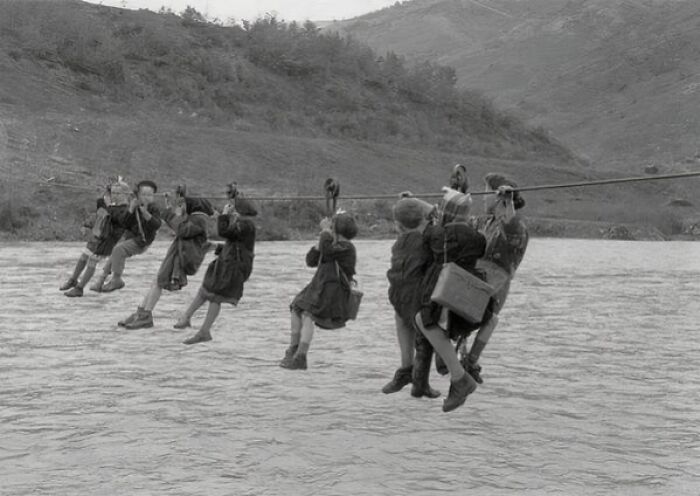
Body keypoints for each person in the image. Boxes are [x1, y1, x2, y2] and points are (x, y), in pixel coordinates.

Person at [414, 188, 487, 412]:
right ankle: (457, 372)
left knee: (422, 320)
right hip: (470, 298)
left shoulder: (437, 234)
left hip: (445, 295)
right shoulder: (477, 237)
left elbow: (425, 240)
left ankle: (459, 378)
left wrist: (421, 207)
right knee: (435, 325)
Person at [458, 173, 529, 384]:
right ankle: (461, 361)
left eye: (486, 191)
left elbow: (510, 225)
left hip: (495, 285)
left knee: (488, 318)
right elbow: (457, 222)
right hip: (476, 280)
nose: (483, 197)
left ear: (497, 197)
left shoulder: (515, 227)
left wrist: (507, 201)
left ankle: (470, 360)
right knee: (461, 320)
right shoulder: (483, 221)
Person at [119, 192, 214, 330]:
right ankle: (140, 312)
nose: (181, 206)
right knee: (156, 281)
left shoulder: (199, 220)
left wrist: (169, 213)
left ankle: (145, 316)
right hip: (176, 253)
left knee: (159, 282)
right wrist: (169, 207)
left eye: (183, 204)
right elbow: (179, 224)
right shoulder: (195, 218)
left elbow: (181, 229)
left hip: (180, 257)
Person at [279, 211, 358, 370]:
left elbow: (328, 252)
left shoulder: (347, 247)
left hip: (332, 290)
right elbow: (311, 261)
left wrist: (325, 232)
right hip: (319, 286)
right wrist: (318, 244)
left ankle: (301, 356)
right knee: (296, 307)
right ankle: (293, 349)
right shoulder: (329, 244)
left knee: (309, 315)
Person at [382, 195, 440, 398]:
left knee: (403, 322)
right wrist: (420, 205)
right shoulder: (426, 238)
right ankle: (420, 382)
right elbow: (433, 214)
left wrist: (408, 204)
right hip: (418, 298)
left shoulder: (399, 243)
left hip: (399, 297)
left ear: (398, 226)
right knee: (425, 339)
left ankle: (407, 371)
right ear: (423, 220)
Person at [178, 196, 257, 345]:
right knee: (205, 289)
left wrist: (223, 216)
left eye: (233, 207)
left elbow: (224, 232)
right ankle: (186, 317)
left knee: (216, 296)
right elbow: (235, 243)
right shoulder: (242, 223)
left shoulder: (246, 224)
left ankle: (204, 331)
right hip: (226, 263)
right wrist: (217, 247)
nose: (231, 209)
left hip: (234, 268)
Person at [61, 179, 132, 297]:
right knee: (84, 255)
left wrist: (105, 201)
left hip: (110, 239)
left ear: (125, 194)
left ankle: (79, 288)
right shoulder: (114, 206)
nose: (114, 195)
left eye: (117, 193)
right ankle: (73, 279)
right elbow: (101, 208)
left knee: (93, 260)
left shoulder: (125, 209)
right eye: (113, 193)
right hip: (101, 236)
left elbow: (112, 214)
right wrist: (103, 193)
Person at [91, 180, 162, 293]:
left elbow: (156, 225)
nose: (146, 197)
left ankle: (116, 279)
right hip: (131, 236)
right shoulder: (134, 205)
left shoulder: (154, 208)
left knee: (119, 250)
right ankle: (101, 280)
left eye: (150, 195)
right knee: (115, 254)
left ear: (154, 196)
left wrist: (145, 213)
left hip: (142, 240)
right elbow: (125, 223)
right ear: (138, 195)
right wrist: (131, 209)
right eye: (143, 194)